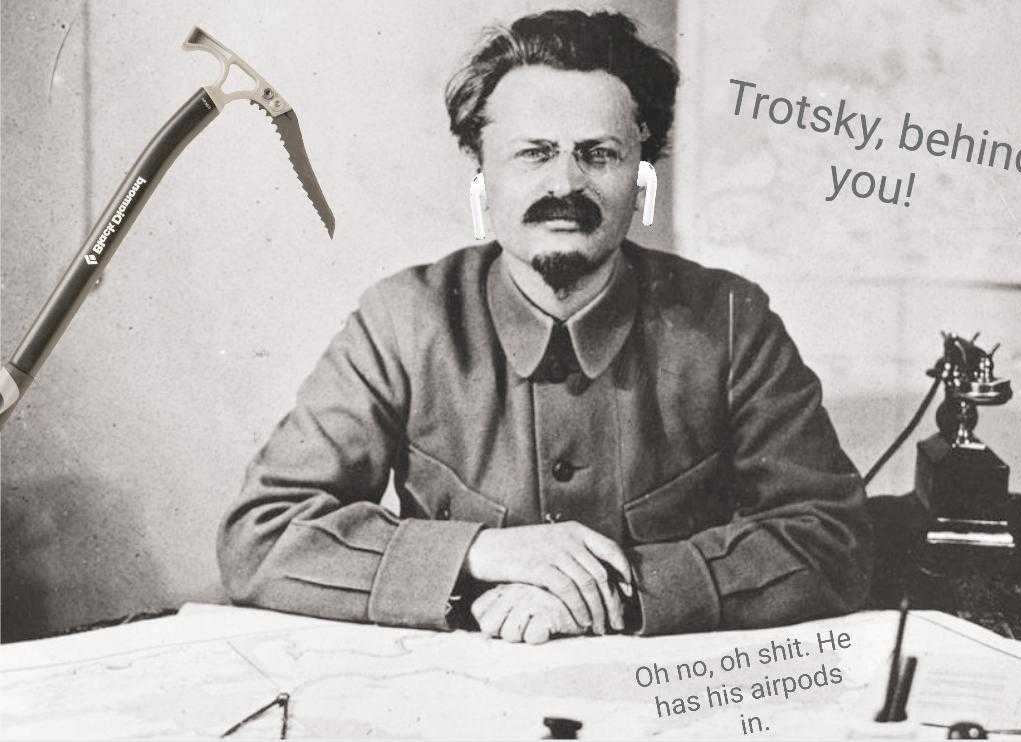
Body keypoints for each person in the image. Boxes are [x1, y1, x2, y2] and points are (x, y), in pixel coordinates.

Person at [217, 9, 871, 644]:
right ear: (483, 174)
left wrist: (615, 594)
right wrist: (485, 555)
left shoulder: (731, 321)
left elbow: (830, 539)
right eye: (533, 153)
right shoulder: (402, 320)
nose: (566, 182)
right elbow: (262, 535)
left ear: (640, 175)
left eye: (599, 154)